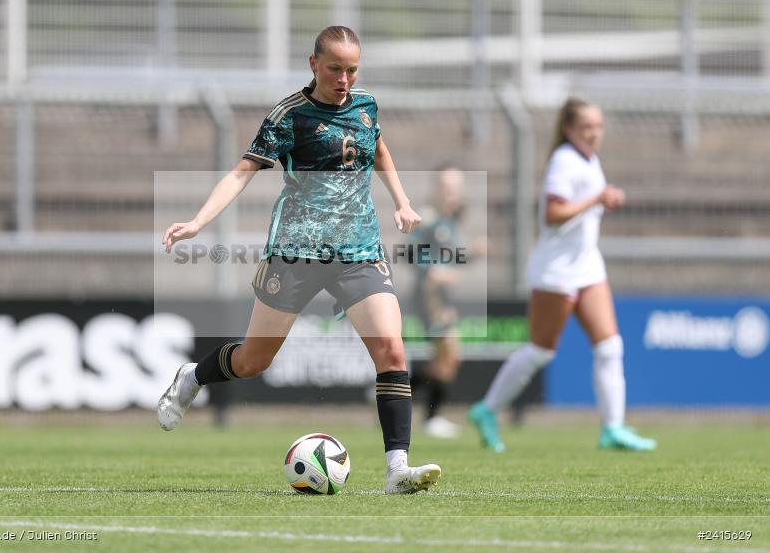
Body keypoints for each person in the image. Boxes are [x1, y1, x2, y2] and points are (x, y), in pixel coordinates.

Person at [157, 26, 441, 494]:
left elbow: (379, 147)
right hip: (296, 252)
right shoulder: (290, 115)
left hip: (358, 251)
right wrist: (197, 222)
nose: (344, 78)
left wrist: (403, 201)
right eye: (335, 69)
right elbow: (241, 172)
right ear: (313, 64)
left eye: (352, 69)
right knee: (252, 361)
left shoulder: (367, 106)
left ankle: (396, 469)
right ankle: (192, 377)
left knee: (391, 350)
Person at [468, 97, 656, 452]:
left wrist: (603, 199)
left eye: (598, 127)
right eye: (587, 127)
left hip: (587, 265)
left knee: (610, 346)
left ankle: (612, 428)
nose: (594, 133)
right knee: (541, 351)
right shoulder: (564, 160)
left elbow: (584, 206)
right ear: (569, 130)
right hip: (556, 270)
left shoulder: (589, 158)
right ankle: (486, 410)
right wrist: (597, 199)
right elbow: (553, 213)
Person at [409, 166, 487, 439]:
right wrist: (433, 270)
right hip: (428, 295)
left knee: (447, 359)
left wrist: (473, 254)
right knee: (449, 355)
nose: (451, 193)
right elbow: (409, 252)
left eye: (455, 187)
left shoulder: (450, 222)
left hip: (442, 298)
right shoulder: (428, 218)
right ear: (436, 189)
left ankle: (395, 390)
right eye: (446, 187)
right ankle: (430, 418)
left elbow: (453, 259)